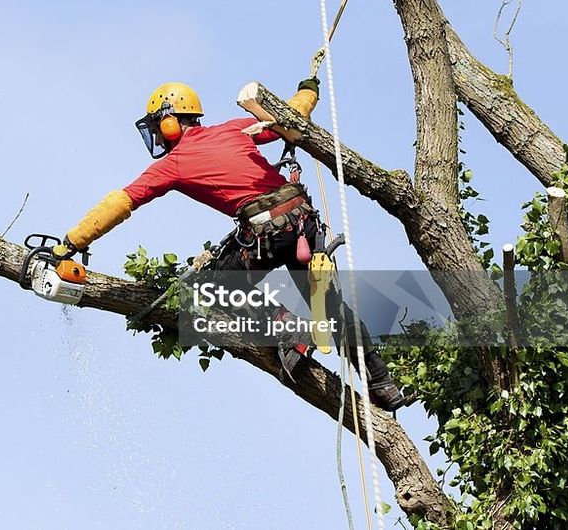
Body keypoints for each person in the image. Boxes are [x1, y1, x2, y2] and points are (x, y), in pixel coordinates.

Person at [58, 79, 408, 411]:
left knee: (204, 294)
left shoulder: (173, 164)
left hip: (266, 233)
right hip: (303, 224)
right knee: (332, 307)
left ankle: (289, 326)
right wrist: (308, 90)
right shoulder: (233, 129)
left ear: (169, 123)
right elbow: (290, 114)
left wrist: (72, 241)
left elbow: (121, 202)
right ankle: (382, 385)